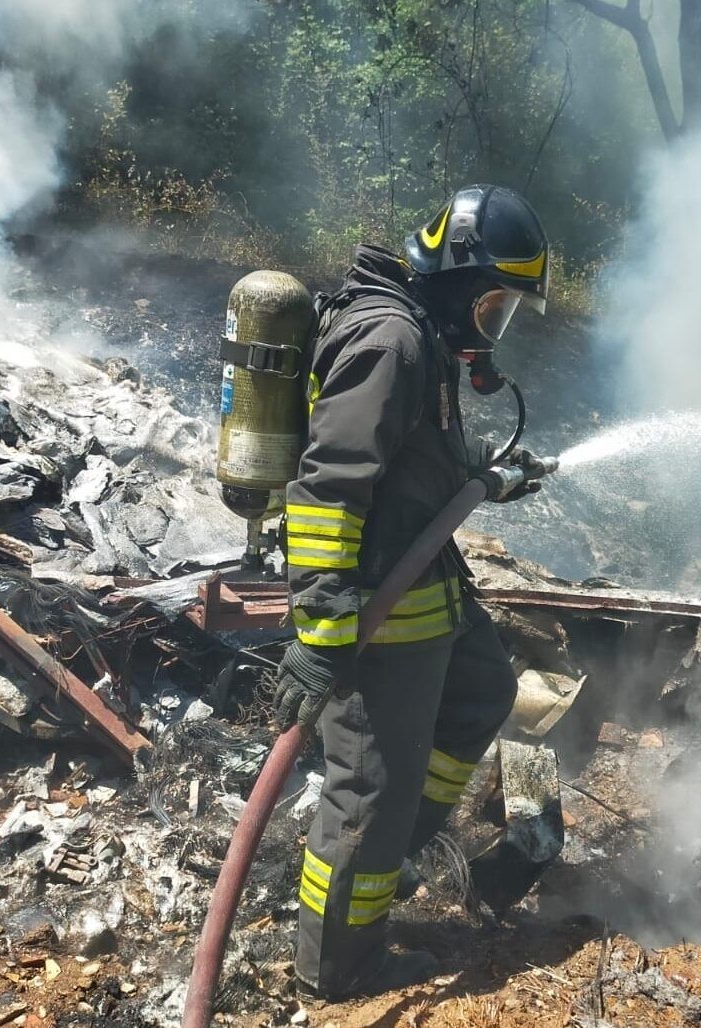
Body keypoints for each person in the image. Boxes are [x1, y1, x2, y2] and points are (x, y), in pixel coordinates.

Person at [273, 184, 549, 998]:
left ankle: (400, 853)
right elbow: (327, 493)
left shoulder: (419, 334)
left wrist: (486, 480)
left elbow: (411, 462)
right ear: (460, 281)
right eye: (493, 304)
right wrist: (320, 631)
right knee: (370, 797)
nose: (492, 326)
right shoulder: (393, 341)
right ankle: (338, 968)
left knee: (484, 691)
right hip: (377, 611)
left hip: (422, 586)